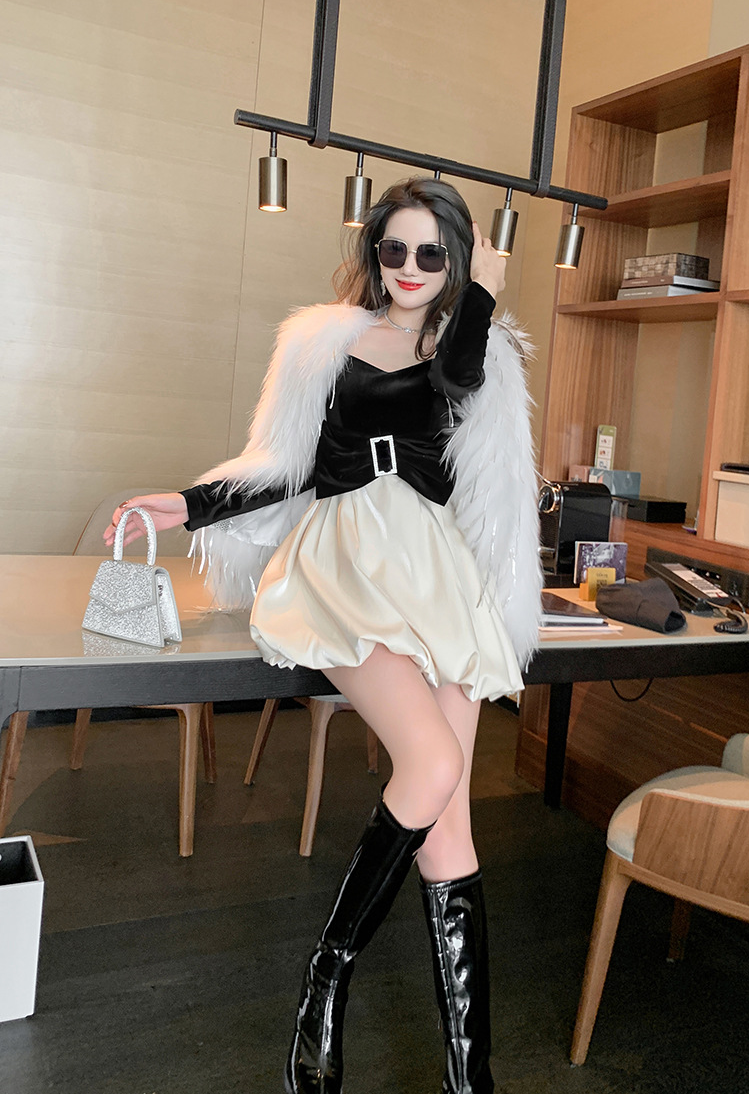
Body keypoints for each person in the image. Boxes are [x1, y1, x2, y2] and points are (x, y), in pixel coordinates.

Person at [104, 176, 542, 1094]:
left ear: (457, 262)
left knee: (450, 831)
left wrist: (484, 292)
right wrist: (187, 502)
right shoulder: (324, 343)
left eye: (433, 253)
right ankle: (328, 975)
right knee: (433, 765)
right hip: (345, 563)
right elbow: (286, 464)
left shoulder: (470, 350)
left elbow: (461, 378)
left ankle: (471, 1077)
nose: (411, 267)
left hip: (436, 575)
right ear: (374, 253)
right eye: (396, 249)